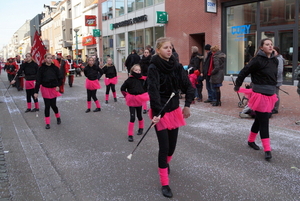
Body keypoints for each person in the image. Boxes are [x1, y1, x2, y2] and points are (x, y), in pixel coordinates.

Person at [147, 37, 194, 198]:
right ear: (158, 50)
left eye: (171, 47)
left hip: (174, 110)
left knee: (172, 147)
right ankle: (165, 183)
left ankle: (165, 163)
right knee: (164, 146)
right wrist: (157, 113)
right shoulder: (153, 67)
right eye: (166, 47)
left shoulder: (177, 66)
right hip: (160, 112)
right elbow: (152, 91)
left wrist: (187, 104)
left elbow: (188, 86)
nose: (169, 50)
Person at [234, 38, 278, 160]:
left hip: (270, 95)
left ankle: (250, 140)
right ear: (261, 47)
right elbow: (244, 71)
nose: (270, 46)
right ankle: (267, 150)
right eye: (267, 44)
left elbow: (274, 75)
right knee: (265, 121)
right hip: (259, 96)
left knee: (259, 120)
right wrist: (238, 84)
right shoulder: (257, 60)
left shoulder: (275, 60)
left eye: (271, 44)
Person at [34, 53, 63, 129]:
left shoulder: (55, 68)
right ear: (45, 59)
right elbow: (38, 80)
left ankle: (58, 117)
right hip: (45, 88)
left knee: (53, 105)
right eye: (48, 58)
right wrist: (36, 92)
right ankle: (47, 123)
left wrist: (58, 86)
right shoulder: (41, 69)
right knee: (47, 106)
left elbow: (60, 78)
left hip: (53, 88)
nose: (49, 59)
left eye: (51, 58)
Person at [120, 64, 149, 142]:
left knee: (139, 115)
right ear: (132, 71)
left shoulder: (142, 79)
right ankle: (130, 134)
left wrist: (144, 93)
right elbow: (122, 88)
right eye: (136, 70)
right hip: (132, 99)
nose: (138, 72)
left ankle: (141, 128)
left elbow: (146, 88)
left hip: (139, 99)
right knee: (132, 117)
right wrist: (126, 95)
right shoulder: (129, 80)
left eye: (139, 70)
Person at [272, 46, 284, 114]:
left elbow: (279, 70)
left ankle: (275, 108)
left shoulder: (279, 59)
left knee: (276, 94)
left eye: (274, 51)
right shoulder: (274, 58)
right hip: (273, 79)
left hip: (276, 80)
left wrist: (274, 77)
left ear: (277, 52)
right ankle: (273, 107)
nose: (273, 53)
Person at [139, 49, 151, 114]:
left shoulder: (151, 60)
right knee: (144, 93)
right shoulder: (141, 61)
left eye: (147, 52)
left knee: (151, 93)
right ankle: (144, 108)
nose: (146, 54)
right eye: (145, 52)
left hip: (150, 78)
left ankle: (151, 107)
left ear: (149, 53)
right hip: (143, 78)